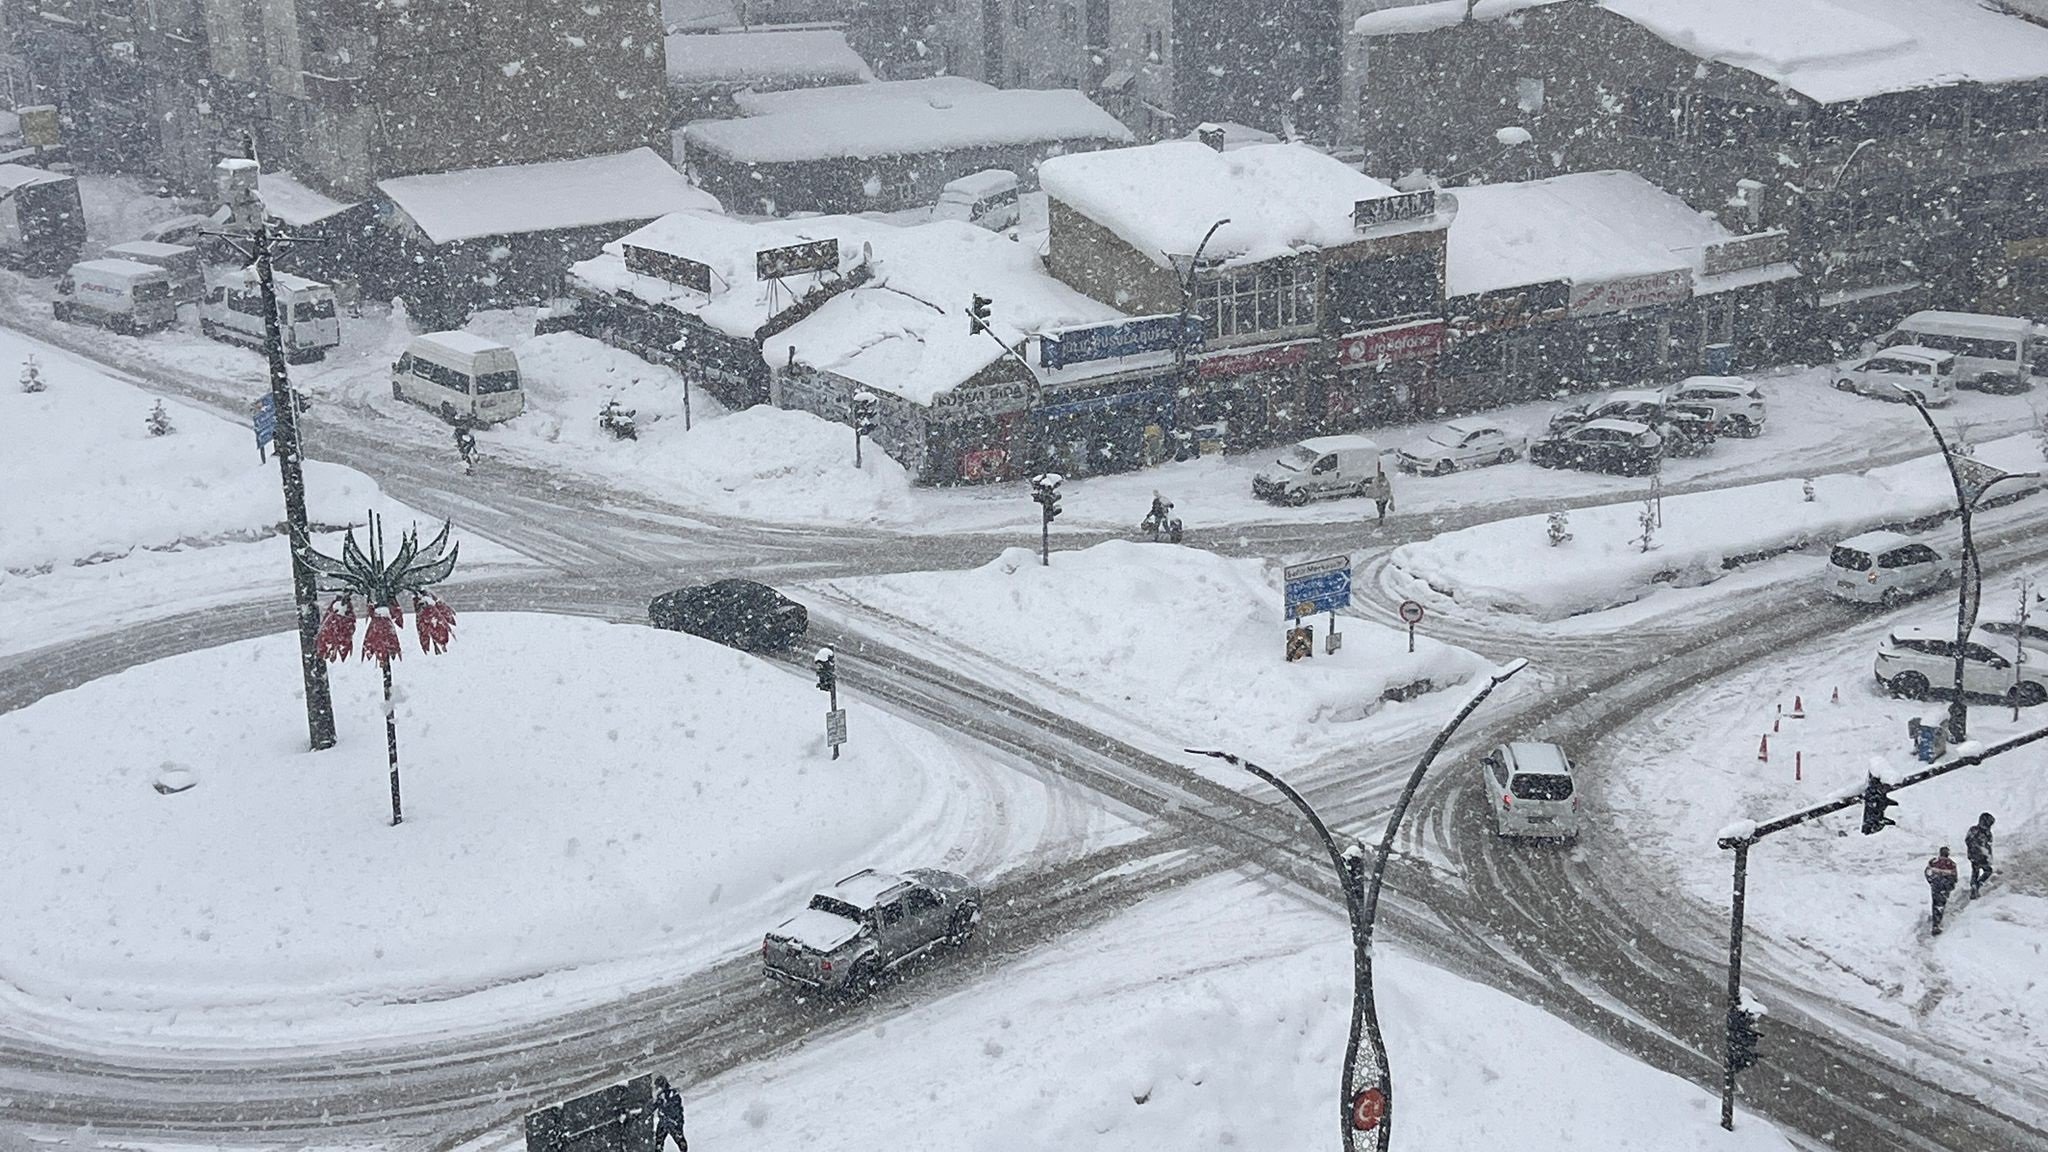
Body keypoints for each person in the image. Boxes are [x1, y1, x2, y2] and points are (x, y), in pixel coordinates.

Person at [1925, 846, 1959, 935]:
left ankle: (1935, 921)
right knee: (1941, 904)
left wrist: (1931, 881)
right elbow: (1954, 877)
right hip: (1945, 886)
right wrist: (1950, 886)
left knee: (1935, 903)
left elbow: (1927, 872)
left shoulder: (1933, 861)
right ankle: (1936, 924)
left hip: (1936, 885)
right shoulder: (1951, 864)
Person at [652, 1075, 688, 1152]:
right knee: (659, 1142)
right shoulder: (660, 1096)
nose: (658, 1088)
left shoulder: (673, 1094)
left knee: (680, 1141)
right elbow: (652, 1107)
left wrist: (676, 1121)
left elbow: (676, 1108)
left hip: (674, 1121)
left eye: (659, 1086)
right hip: (664, 1122)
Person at [1965, 813, 1995, 898]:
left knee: (1975, 871)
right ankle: (1978, 884)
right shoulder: (1987, 833)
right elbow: (1988, 846)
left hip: (1974, 856)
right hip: (1982, 856)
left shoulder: (1973, 830)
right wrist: (1988, 856)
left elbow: (1967, 840)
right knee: (1988, 871)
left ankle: (1974, 885)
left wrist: (1973, 850)